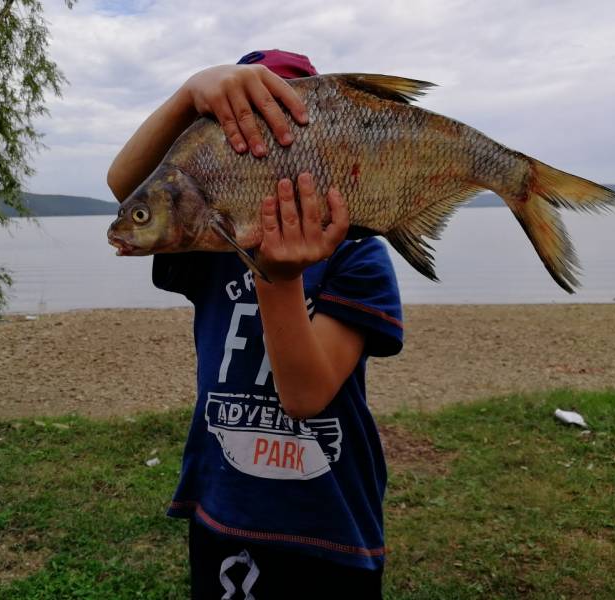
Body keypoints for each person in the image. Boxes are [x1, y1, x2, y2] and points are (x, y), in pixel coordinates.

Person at [108, 50, 403, 599]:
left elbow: (306, 395)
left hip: (332, 520)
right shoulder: (209, 240)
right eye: (241, 140)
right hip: (224, 512)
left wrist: (278, 276)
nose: (264, 156)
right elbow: (128, 187)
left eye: (285, 139)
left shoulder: (357, 254)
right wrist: (190, 91)